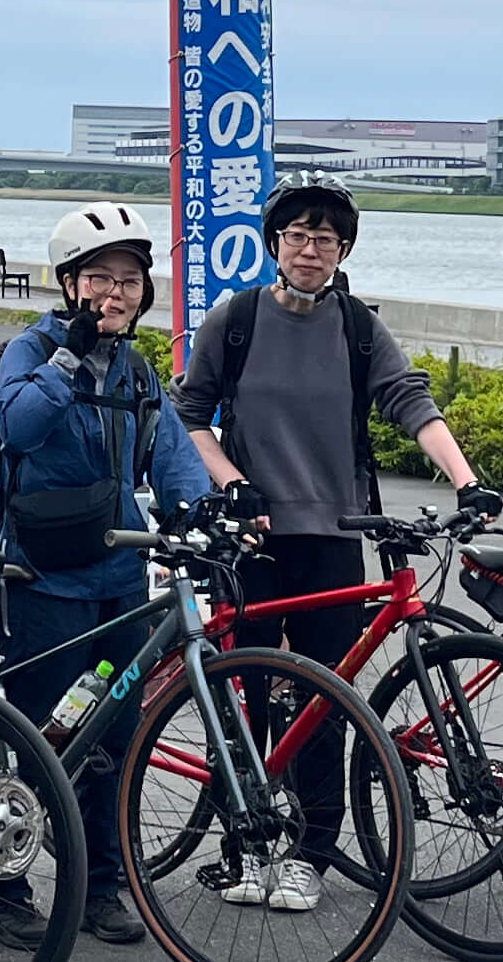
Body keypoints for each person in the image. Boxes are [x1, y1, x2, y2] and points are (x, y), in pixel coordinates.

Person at [175, 178, 482, 912]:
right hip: (252, 542)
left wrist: (467, 482)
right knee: (243, 698)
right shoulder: (236, 319)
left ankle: (311, 852)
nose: (310, 249)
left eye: (325, 239)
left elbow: (411, 402)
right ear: (275, 244)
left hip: (336, 539)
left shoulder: (358, 328)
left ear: (343, 251)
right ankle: (244, 846)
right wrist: (232, 481)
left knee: (322, 701)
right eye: (297, 236)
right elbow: (188, 413)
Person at [0, 200, 210, 946]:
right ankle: (3, 889)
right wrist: (69, 355)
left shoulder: (139, 371)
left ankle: (100, 888)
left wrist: (209, 518)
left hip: (120, 577)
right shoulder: (29, 351)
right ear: (68, 284)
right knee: (39, 738)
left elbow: (174, 459)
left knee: (113, 738)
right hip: (43, 578)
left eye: (131, 281)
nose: (116, 295)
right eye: (99, 280)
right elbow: (17, 426)